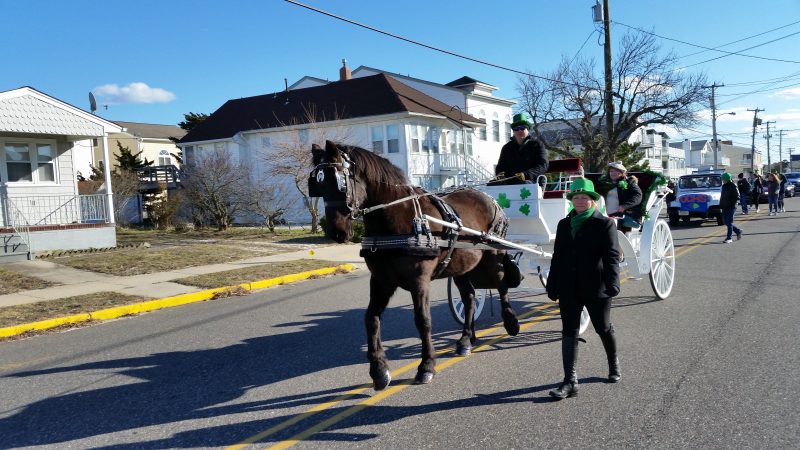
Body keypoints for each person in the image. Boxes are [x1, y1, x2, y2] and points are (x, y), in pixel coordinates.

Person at [546, 178, 621, 400]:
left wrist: (613, 282)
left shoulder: (604, 224)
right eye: (576, 197)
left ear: (592, 200)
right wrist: (552, 283)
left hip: (596, 286)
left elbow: (611, 256)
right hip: (569, 286)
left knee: (603, 327)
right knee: (569, 331)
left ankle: (613, 363)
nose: (579, 201)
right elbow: (557, 257)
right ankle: (570, 381)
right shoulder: (564, 224)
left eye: (584, 198)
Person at [493, 113, 548, 185]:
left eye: (522, 127)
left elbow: (543, 165)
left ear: (527, 129)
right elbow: (501, 166)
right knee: (491, 185)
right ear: (513, 131)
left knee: (524, 184)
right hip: (510, 182)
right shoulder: (506, 148)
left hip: (532, 182)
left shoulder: (537, 145)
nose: (519, 131)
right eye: (516, 128)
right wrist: (500, 174)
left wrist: (526, 175)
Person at [597, 161, 643, 229]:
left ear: (622, 173)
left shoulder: (629, 182)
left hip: (620, 214)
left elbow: (638, 195)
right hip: (603, 213)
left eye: (616, 171)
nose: (613, 173)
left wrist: (625, 206)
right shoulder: (603, 183)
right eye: (611, 171)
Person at [719, 172, 743, 243]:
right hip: (724, 206)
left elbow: (737, 197)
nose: (722, 180)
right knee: (725, 221)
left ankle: (729, 238)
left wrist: (730, 204)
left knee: (729, 222)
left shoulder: (733, 185)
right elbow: (723, 197)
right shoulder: (724, 186)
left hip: (732, 206)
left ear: (727, 179)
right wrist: (721, 205)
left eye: (723, 179)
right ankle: (738, 231)